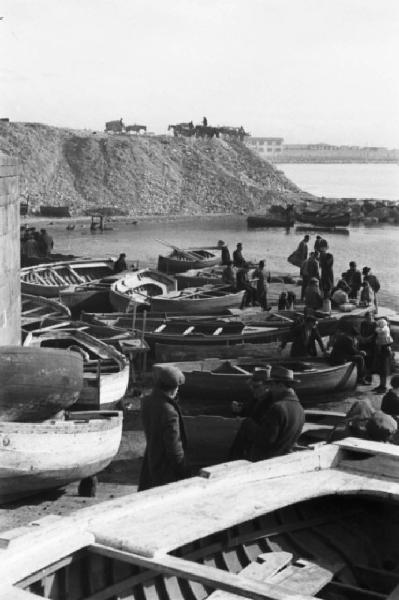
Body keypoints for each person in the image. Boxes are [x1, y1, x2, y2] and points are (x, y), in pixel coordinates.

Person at [229, 366, 305, 461]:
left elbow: (265, 440)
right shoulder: (300, 409)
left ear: (281, 385)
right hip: (280, 461)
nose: (270, 388)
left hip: (264, 462)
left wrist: (246, 423)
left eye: (272, 385)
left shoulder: (278, 408)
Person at [138, 365, 188, 491]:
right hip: (166, 471)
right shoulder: (169, 411)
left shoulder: (147, 402)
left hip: (150, 462)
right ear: (173, 389)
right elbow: (173, 447)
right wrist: (184, 471)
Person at [373, 318, 393, 394]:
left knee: (383, 369)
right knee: (381, 369)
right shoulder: (385, 328)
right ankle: (381, 385)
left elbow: (377, 330)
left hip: (385, 350)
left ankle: (383, 387)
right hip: (383, 350)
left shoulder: (384, 329)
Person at [358, 311, 376, 384]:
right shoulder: (363, 323)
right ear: (365, 318)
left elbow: (375, 334)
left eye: (371, 317)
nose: (370, 318)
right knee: (364, 359)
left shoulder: (375, 324)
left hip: (371, 344)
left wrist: (368, 339)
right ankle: (362, 377)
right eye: (368, 317)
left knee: (370, 361)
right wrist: (362, 338)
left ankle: (369, 378)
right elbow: (360, 332)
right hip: (363, 343)